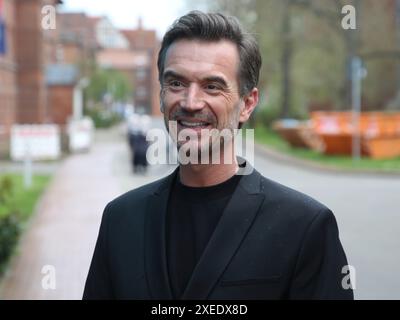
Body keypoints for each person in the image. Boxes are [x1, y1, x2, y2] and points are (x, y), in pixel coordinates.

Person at [83, 11, 353, 300]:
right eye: (176, 83)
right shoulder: (121, 219)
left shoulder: (305, 227)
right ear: (161, 95)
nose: (190, 102)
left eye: (212, 86)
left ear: (247, 104)